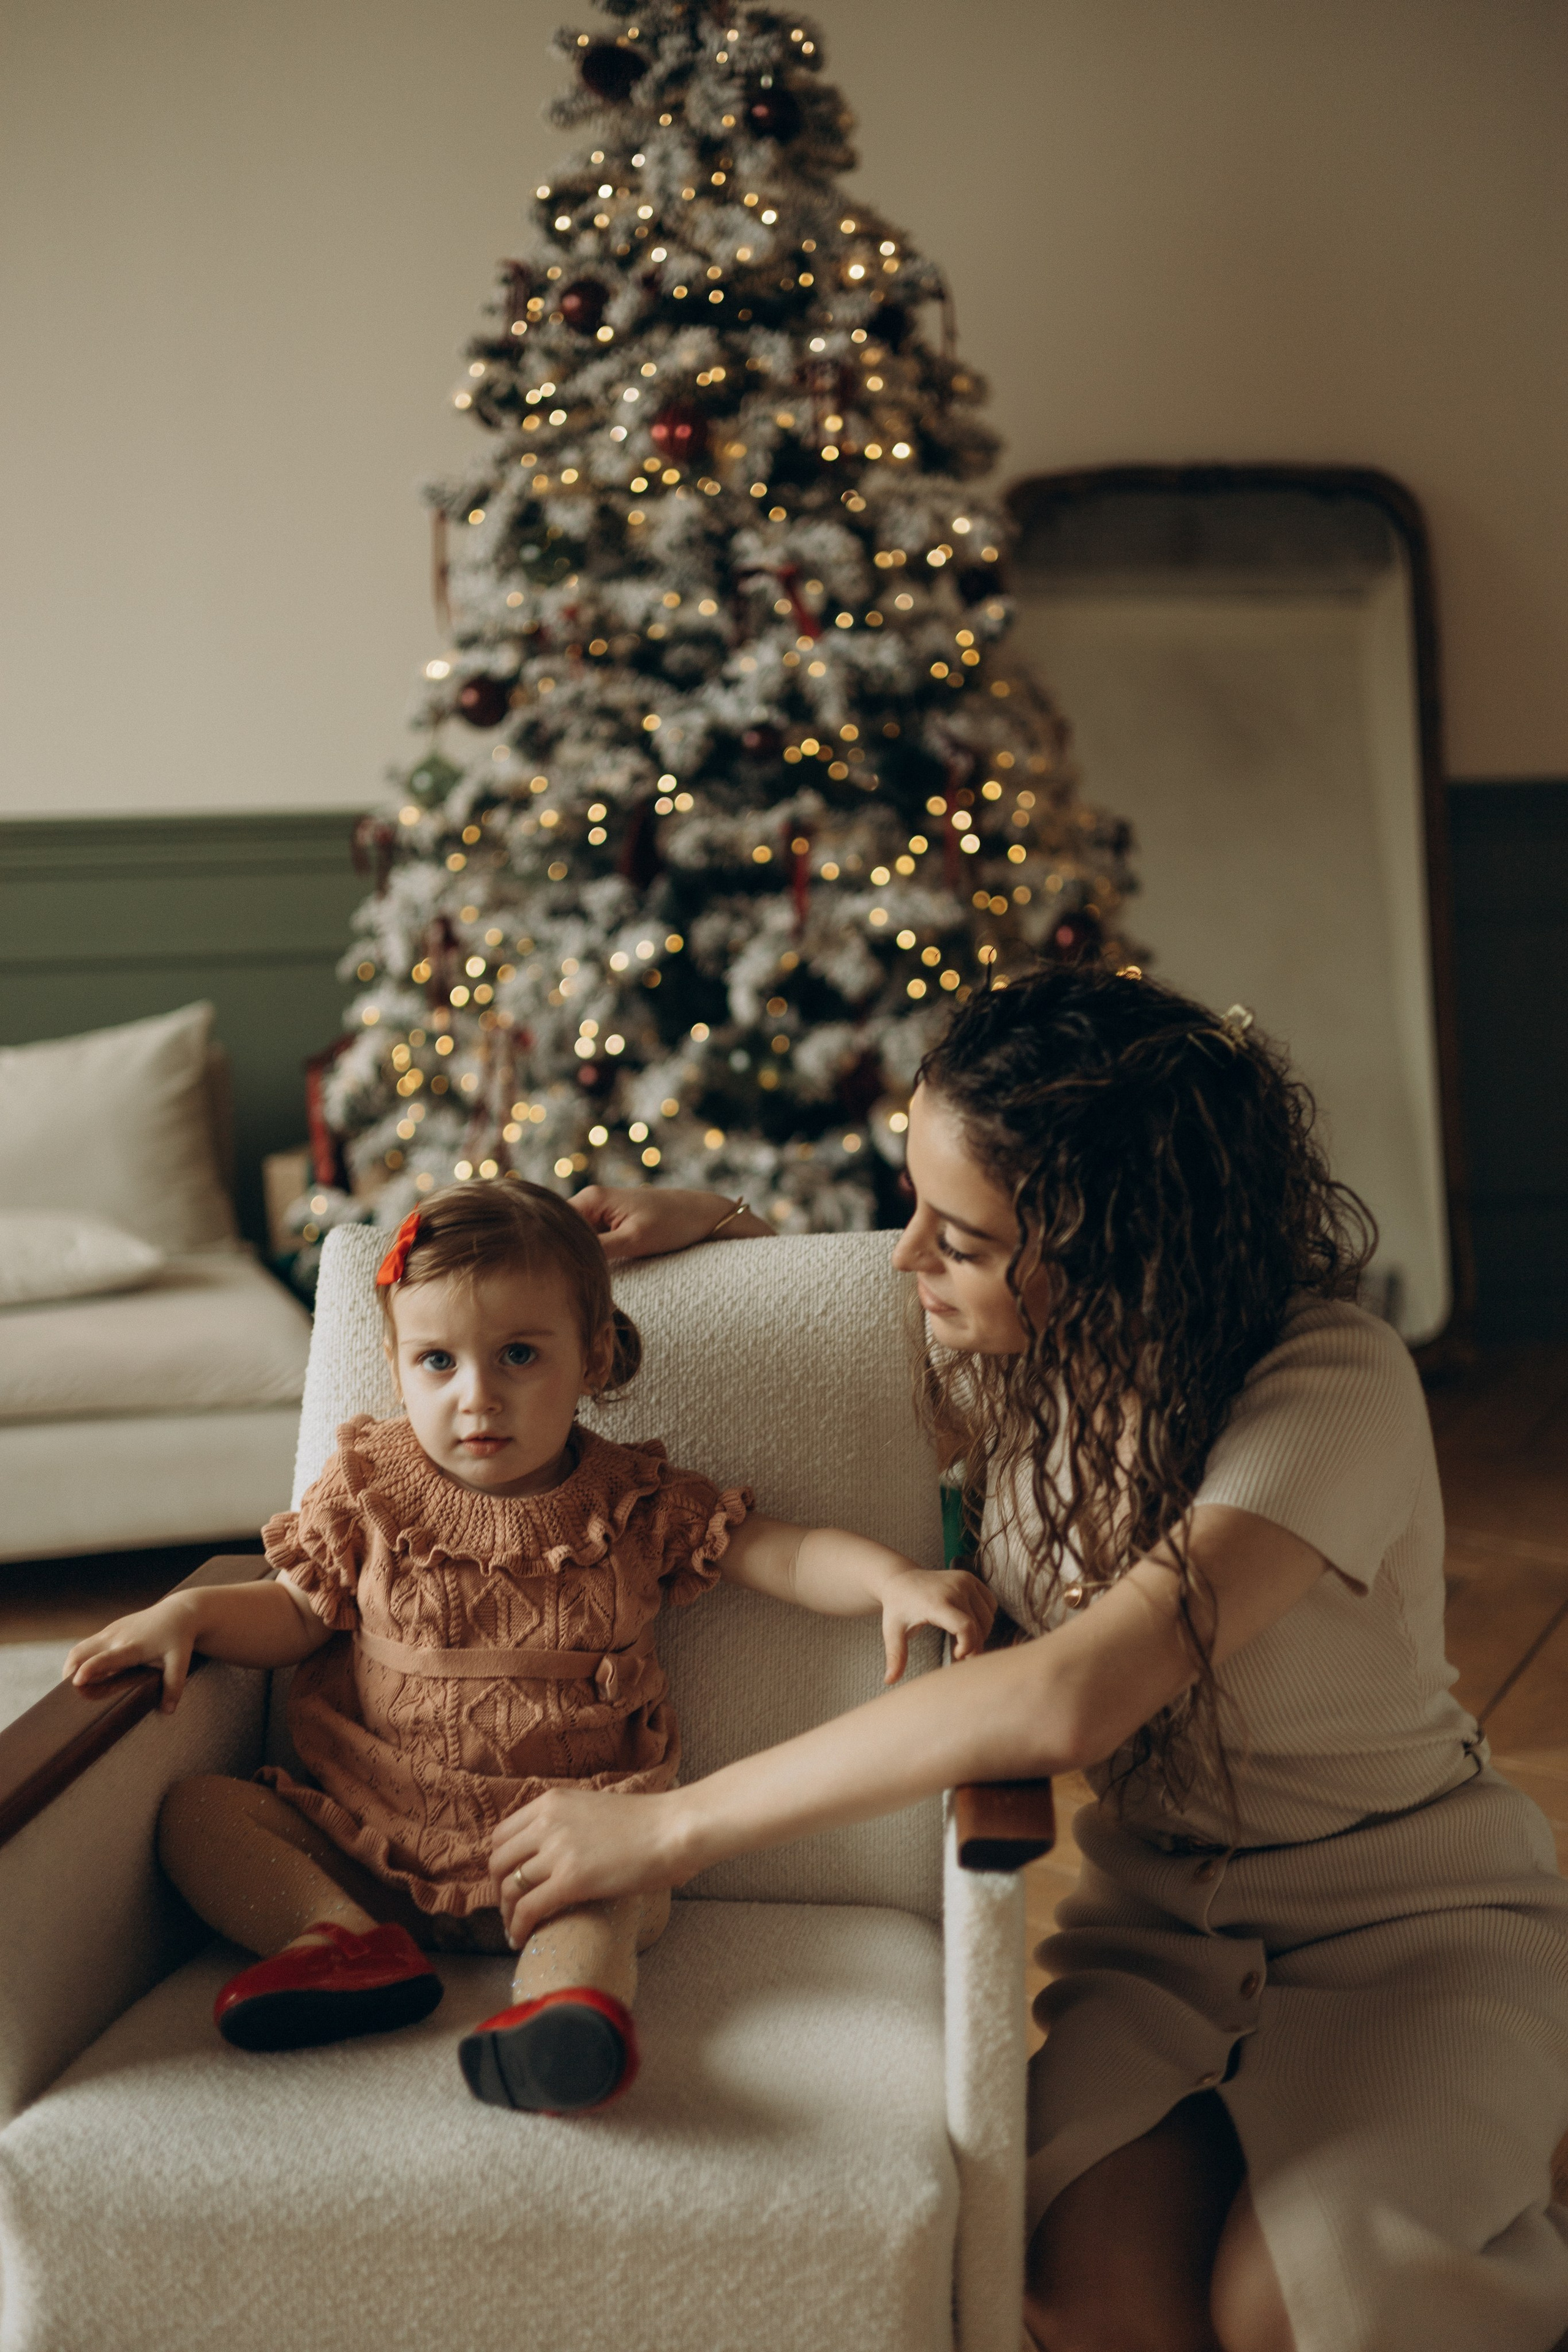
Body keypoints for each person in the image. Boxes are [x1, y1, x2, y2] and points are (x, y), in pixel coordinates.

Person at [492, 967, 1568, 2352]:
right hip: (1154, 1943)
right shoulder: (1003, 1348)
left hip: (1417, 1931)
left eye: (954, 1233)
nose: (903, 1258)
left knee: (1308, 2309)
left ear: (1108, 1250)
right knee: (1077, 2293)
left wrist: (671, 1828)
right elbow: (849, 1324)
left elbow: (1071, 1693)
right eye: (913, 1207)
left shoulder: (1332, 1383)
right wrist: (734, 1226)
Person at [64, 1178, 990, 2117]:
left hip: (568, 1856)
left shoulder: (632, 1502)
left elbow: (779, 1551)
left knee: (605, 1913)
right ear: (394, 1365)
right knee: (200, 1812)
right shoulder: (369, 1490)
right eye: (437, 1362)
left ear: (590, 1358)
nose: (478, 1399)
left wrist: (890, 1579)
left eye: (517, 1355)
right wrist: (193, 1617)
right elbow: (298, 1613)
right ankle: (338, 1943)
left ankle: (564, 2015)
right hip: (366, 1838)